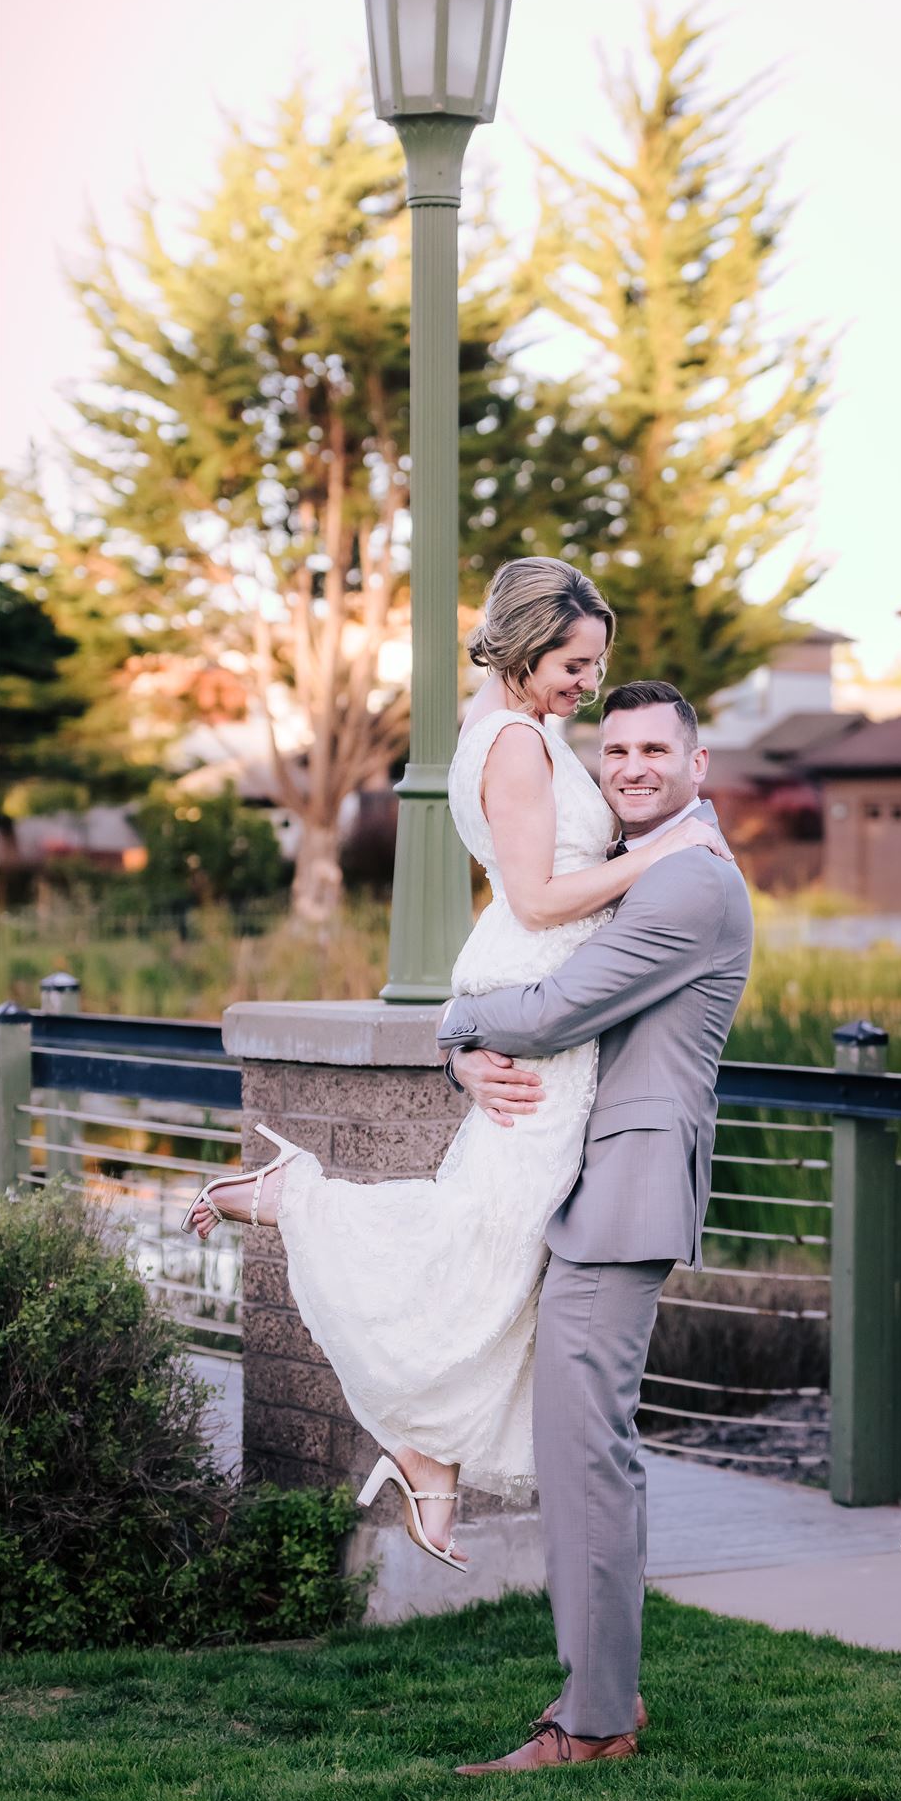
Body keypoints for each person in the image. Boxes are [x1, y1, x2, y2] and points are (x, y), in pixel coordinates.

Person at [183, 558, 728, 1570]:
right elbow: (534, 900)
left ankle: (427, 1454)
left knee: (502, 1240)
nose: (587, 684)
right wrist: (662, 854)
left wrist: (467, 1038)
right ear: (526, 648)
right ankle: (297, 1198)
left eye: (595, 666)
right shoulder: (516, 744)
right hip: (541, 986)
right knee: (491, 1230)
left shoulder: (516, 732)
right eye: (574, 663)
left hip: (538, 997)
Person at [437, 677, 753, 1773]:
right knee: (584, 1450)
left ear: (696, 765)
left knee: (587, 1455)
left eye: (654, 751)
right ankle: (600, 1699)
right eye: (613, 748)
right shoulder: (641, 868)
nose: (630, 766)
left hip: (624, 1194)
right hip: (590, 1182)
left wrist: (451, 1022)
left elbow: (559, 1009)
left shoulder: (688, 886)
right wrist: (471, 1061)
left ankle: (593, 1722)